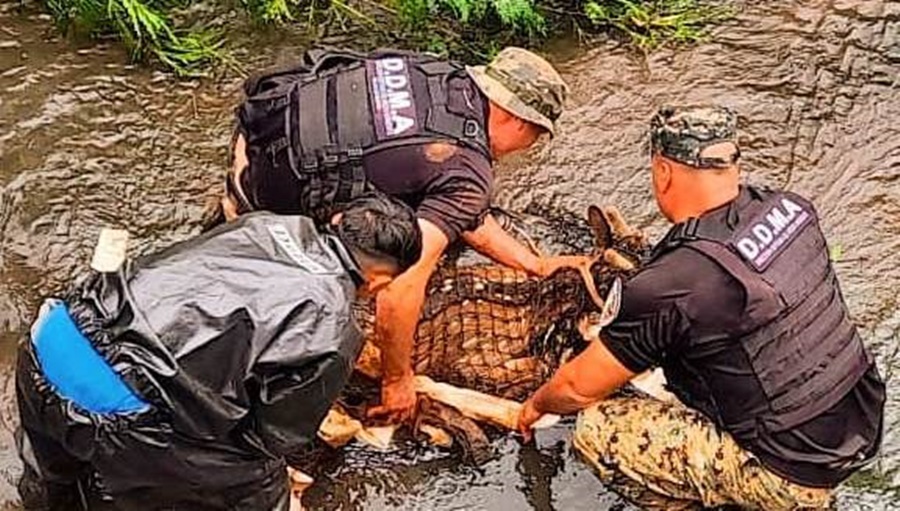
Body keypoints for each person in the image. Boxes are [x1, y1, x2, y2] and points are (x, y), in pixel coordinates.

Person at [517, 105, 885, 509]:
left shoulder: (672, 283)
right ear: (732, 162)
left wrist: (534, 406)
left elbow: (575, 388)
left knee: (597, 429)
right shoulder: (792, 208)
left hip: (792, 474)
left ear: (663, 171)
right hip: (862, 423)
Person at [221, 46, 590, 422]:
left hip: (255, 141)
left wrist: (533, 264)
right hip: (269, 219)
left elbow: (460, 212)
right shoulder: (468, 170)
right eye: (535, 138)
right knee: (374, 276)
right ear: (519, 121)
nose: (527, 148)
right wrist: (397, 379)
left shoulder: (435, 70)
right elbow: (400, 286)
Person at [16, 193, 422, 511]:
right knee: (258, 485)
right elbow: (271, 439)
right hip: (117, 406)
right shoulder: (334, 327)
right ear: (379, 281)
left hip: (54, 334)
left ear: (337, 221)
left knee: (53, 484)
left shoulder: (267, 224)